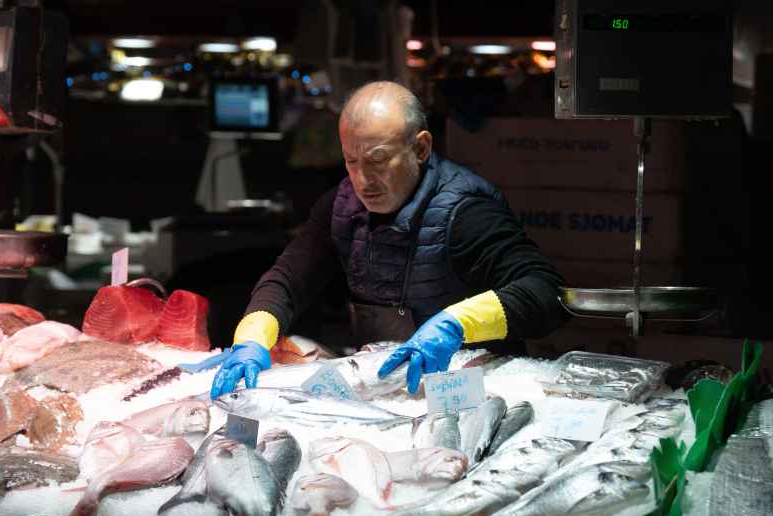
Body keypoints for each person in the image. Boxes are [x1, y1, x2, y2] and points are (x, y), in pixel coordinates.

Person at [211, 81, 567, 398]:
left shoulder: (467, 213)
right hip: (386, 390)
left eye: (378, 160)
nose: (363, 180)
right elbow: (288, 279)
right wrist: (253, 336)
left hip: (474, 391)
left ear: (421, 148)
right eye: (352, 161)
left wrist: (457, 324)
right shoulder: (342, 205)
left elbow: (546, 292)